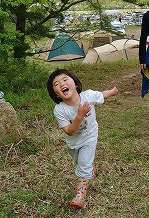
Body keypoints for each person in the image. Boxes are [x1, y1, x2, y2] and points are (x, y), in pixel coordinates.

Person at [46, 69, 118, 209]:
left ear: (76, 84)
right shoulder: (60, 110)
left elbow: (101, 95)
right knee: (80, 162)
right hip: (73, 143)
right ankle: (89, 168)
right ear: (56, 94)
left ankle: (80, 195)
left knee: (83, 164)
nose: (62, 84)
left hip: (90, 137)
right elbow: (70, 131)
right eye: (56, 84)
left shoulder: (88, 96)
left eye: (65, 79)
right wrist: (80, 115)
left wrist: (111, 91)